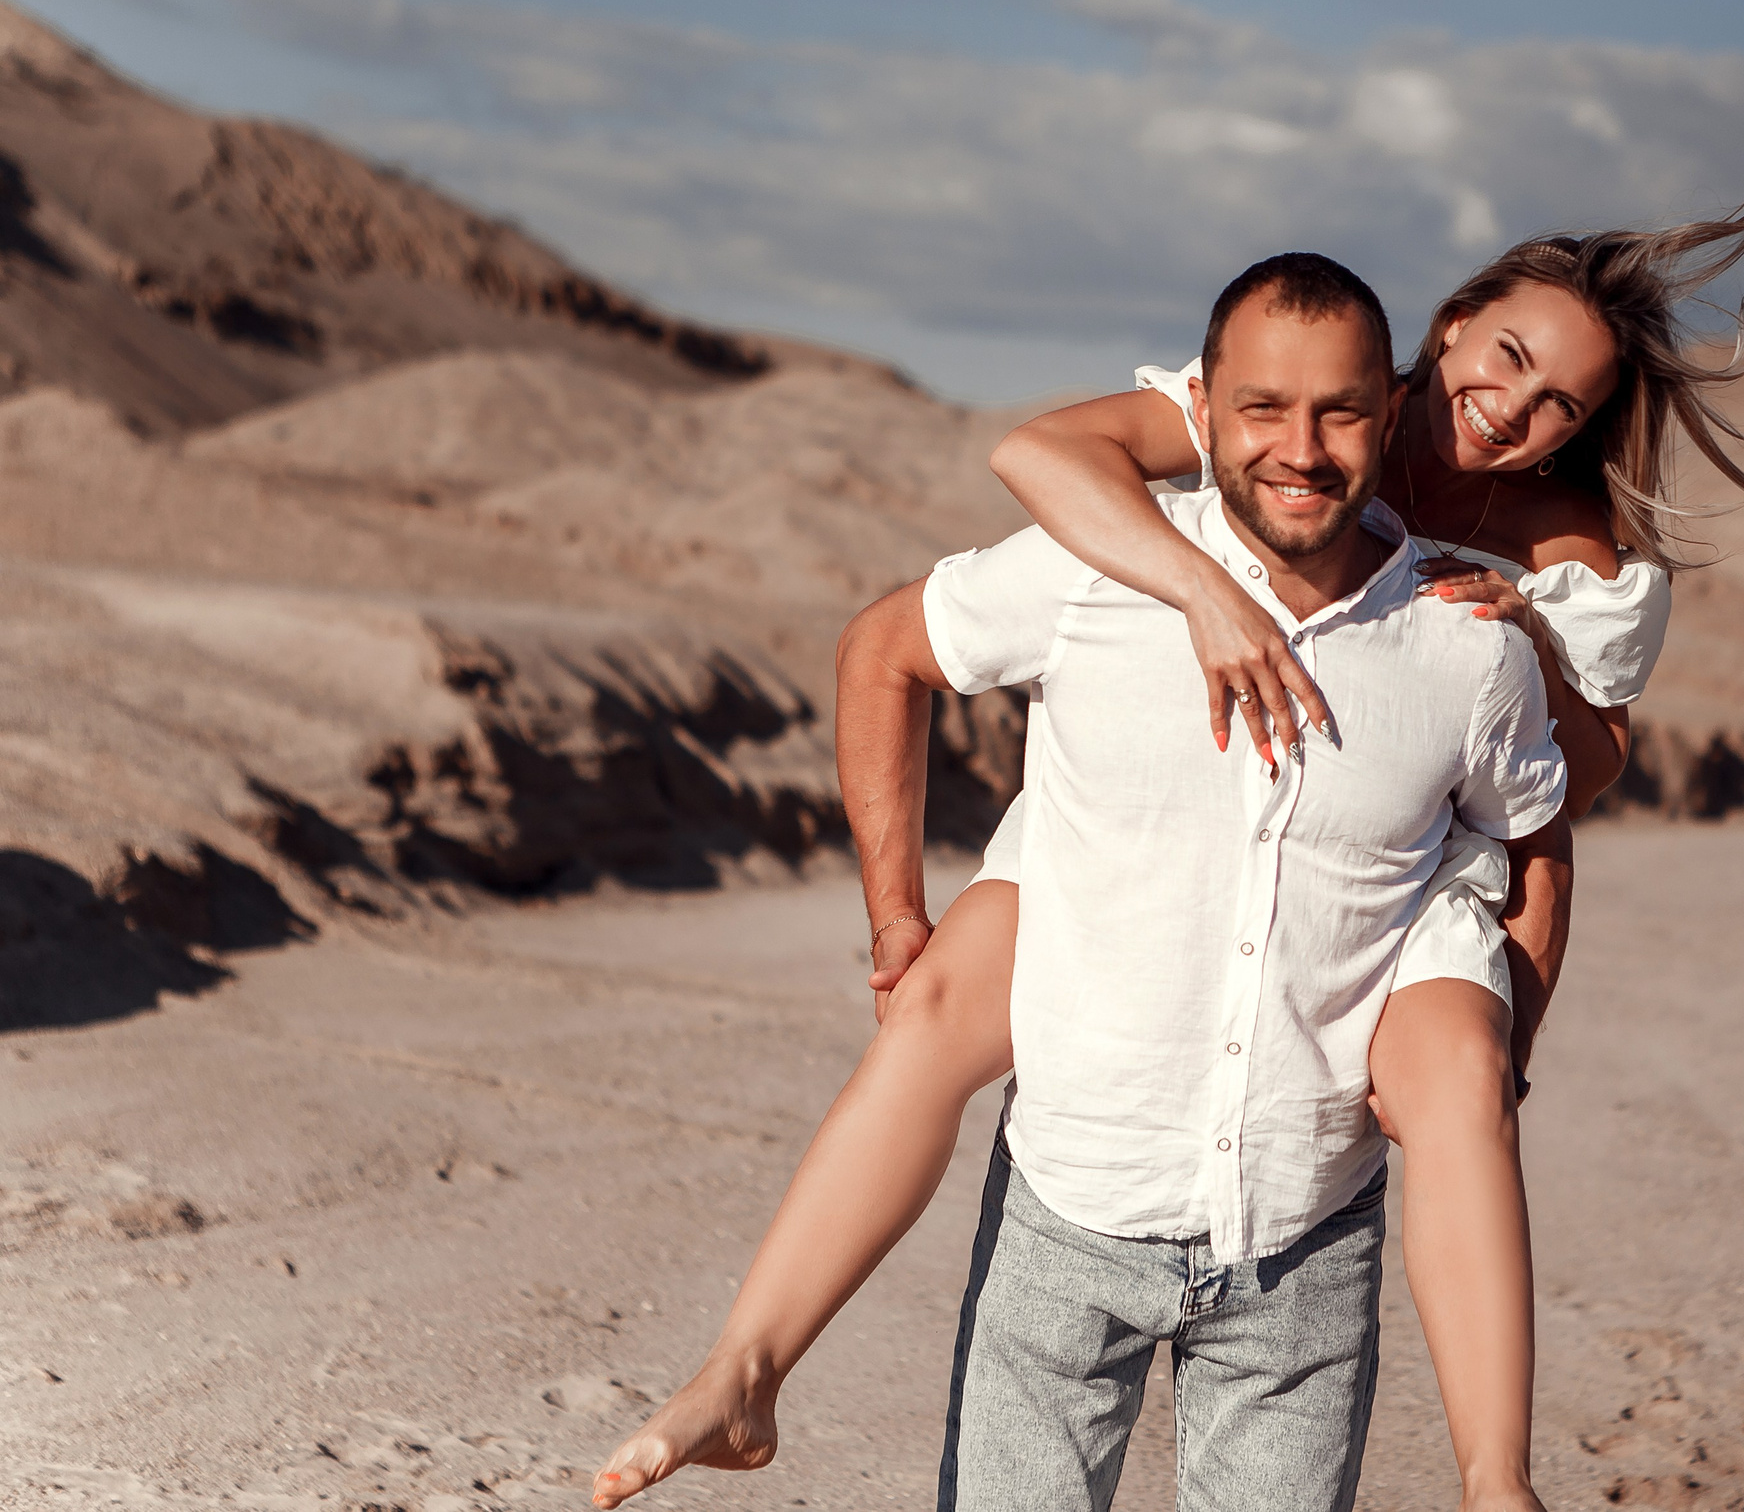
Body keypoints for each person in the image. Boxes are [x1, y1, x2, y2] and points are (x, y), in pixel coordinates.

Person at [593, 253, 1576, 1512]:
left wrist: (1504, 1054)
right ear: (1201, 410)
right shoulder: (1096, 570)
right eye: (1263, 409)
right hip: (1068, 1218)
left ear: (1387, 417)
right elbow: (879, 653)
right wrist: (897, 914)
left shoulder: (1464, 648)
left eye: (1336, 412)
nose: (1301, 448)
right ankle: (743, 1368)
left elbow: (1536, 839)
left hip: (1304, 1250)